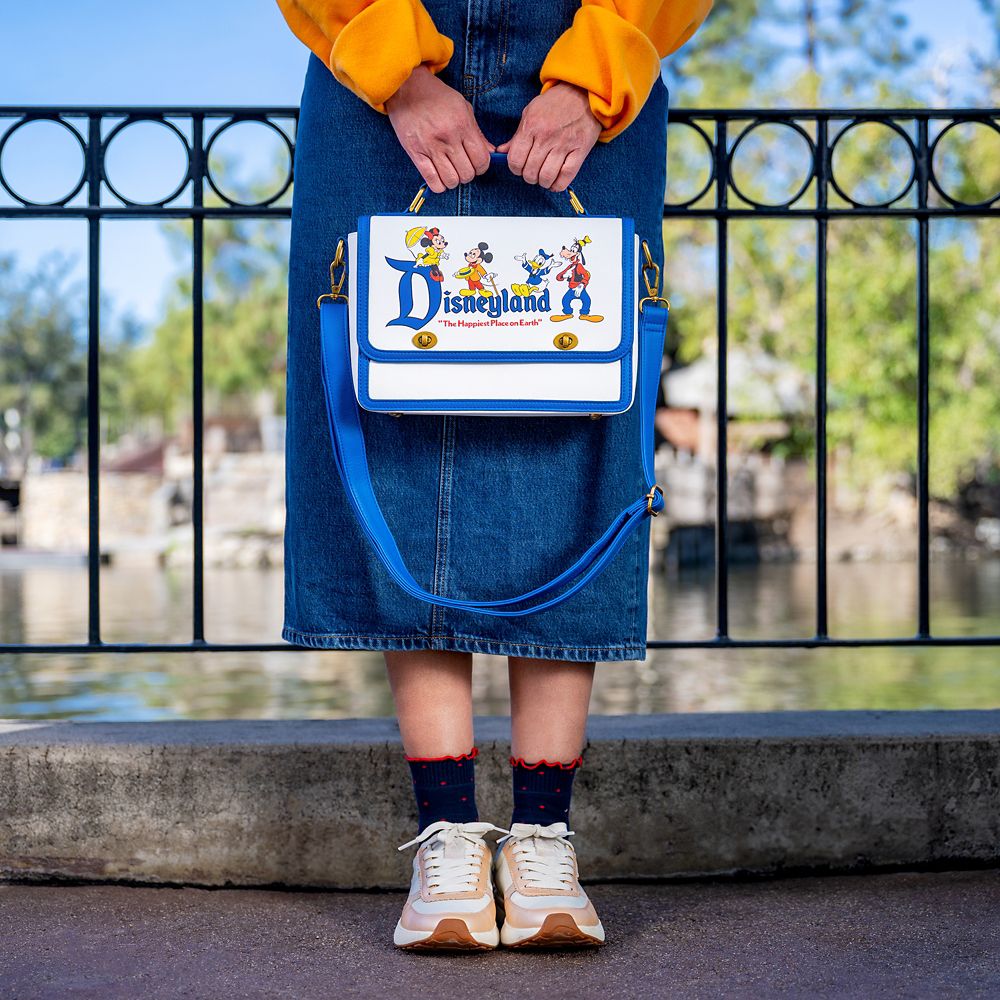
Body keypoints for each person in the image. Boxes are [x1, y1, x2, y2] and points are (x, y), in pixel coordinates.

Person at [275, 0, 712, 951]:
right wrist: (400, 71)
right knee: (390, 423)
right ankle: (449, 842)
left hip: (596, 72)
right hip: (372, 74)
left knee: (573, 419)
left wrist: (588, 78)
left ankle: (543, 839)